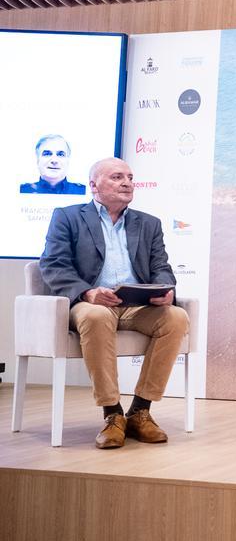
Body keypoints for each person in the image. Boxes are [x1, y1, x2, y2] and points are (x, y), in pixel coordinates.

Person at [38, 157, 189, 449]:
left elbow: (161, 267)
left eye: (130, 178)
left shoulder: (148, 223)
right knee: (97, 316)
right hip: (91, 303)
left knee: (176, 317)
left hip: (136, 305)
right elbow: (54, 265)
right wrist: (88, 292)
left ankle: (140, 411)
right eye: (117, 177)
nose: (127, 183)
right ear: (94, 185)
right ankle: (113, 414)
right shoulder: (68, 217)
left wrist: (165, 289)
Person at [20, 134, 87, 194]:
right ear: (38, 160)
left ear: (68, 160)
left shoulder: (83, 192)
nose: (54, 160)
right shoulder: (23, 191)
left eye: (60, 154)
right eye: (47, 154)